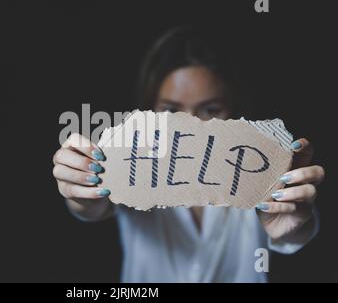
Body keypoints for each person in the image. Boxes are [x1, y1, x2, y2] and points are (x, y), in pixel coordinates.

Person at [52, 27, 325, 282]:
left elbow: (294, 232)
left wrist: (294, 224)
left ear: (234, 112)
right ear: (149, 113)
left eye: (210, 110)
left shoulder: (261, 168)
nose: (189, 128)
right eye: (172, 111)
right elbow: (93, 208)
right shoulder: (130, 162)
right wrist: (81, 192)